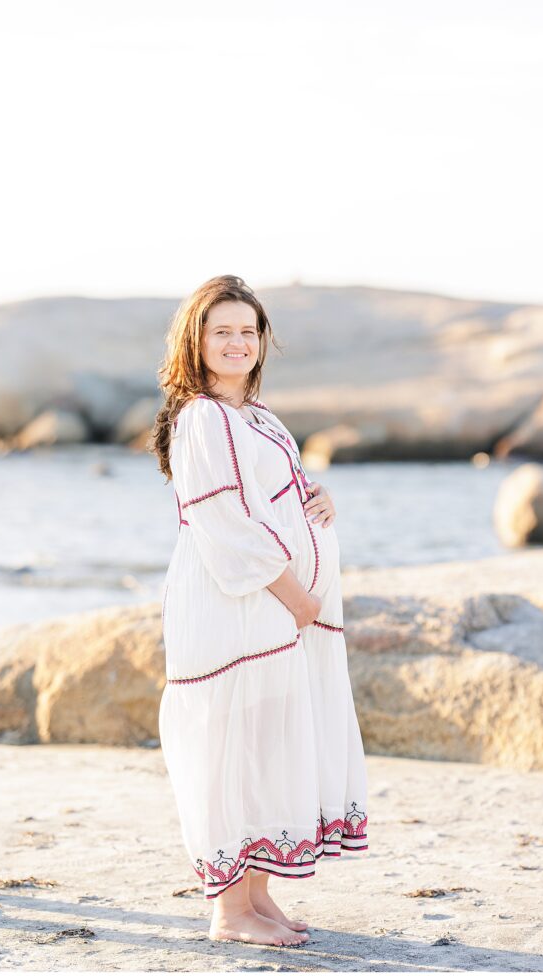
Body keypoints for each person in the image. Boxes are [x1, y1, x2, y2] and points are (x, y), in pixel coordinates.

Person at [149, 275, 368, 947]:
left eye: (248, 330)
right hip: (233, 605)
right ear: (197, 340)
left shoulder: (258, 414)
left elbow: (275, 496)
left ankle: (259, 896)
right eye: (223, 331)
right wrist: (298, 597)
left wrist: (318, 498)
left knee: (268, 743)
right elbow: (224, 523)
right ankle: (229, 911)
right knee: (228, 748)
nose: (238, 342)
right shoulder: (202, 417)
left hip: (272, 608)